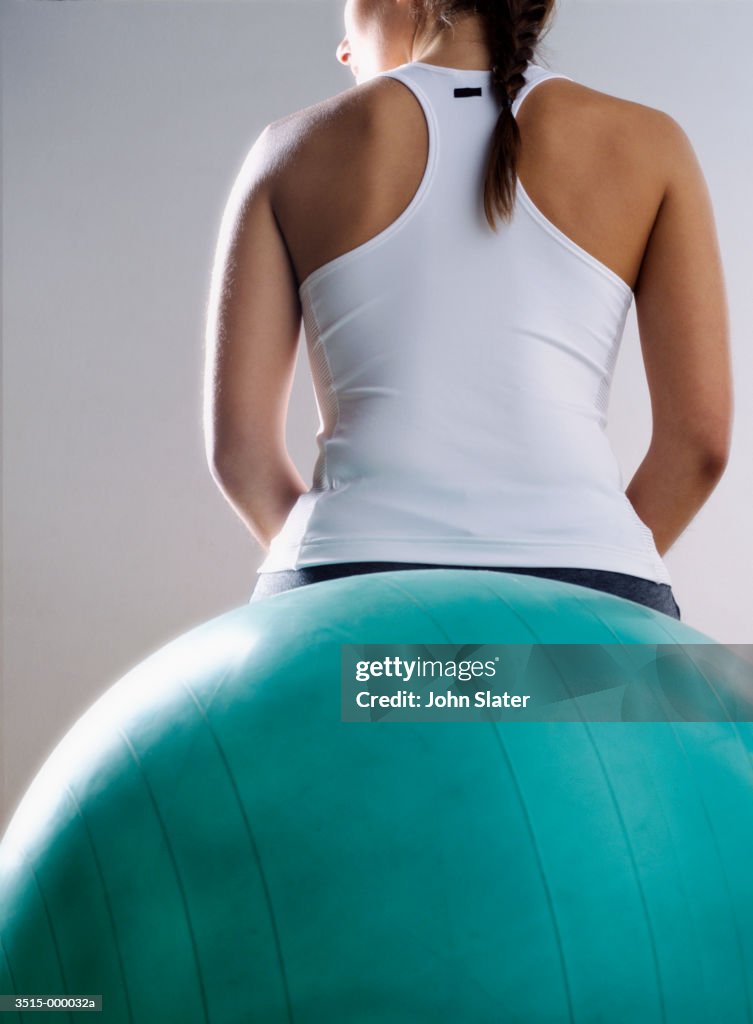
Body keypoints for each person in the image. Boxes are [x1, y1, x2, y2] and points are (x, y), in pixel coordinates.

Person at [204, 0, 733, 620]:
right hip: (593, 583)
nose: (341, 49)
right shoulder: (650, 143)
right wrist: (599, 560)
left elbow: (238, 452)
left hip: (343, 586)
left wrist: (331, 560)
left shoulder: (289, 149)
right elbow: (699, 444)